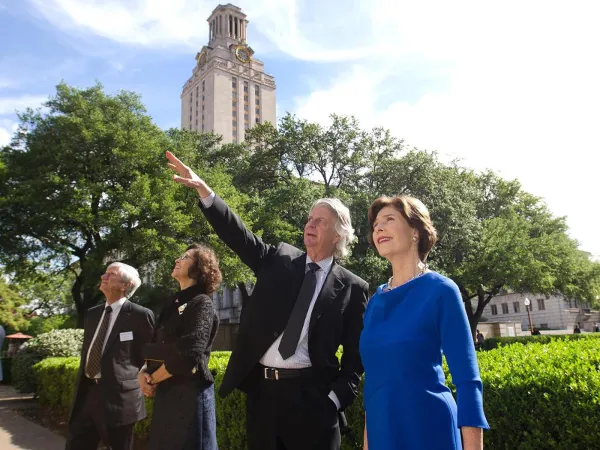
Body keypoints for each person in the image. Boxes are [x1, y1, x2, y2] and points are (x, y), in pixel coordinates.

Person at [167, 151, 369, 450]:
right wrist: (205, 192)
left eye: (320, 222)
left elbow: (355, 355)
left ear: (339, 234)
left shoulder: (353, 287)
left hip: (313, 402)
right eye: (309, 219)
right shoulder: (279, 259)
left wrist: (335, 399)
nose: (310, 225)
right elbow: (239, 236)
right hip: (263, 397)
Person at [360, 195, 489, 450]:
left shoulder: (441, 290)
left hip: (430, 428)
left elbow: (467, 379)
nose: (378, 228)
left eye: (389, 219)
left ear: (416, 231)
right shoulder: (375, 300)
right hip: (382, 433)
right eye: (376, 224)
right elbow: (373, 383)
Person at [139, 244, 221, 450]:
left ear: (199, 268)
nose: (177, 260)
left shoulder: (201, 303)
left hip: (190, 394)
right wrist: (143, 372)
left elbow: (190, 352)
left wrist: (153, 378)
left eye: (184, 257)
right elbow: (154, 346)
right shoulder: (172, 304)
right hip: (167, 392)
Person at [66, 263, 155, 450]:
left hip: (119, 399)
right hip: (87, 393)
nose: (103, 277)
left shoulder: (140, 315)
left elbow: (149, 356)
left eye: (110, 274)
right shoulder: (92, 314)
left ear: (126, 285)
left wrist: (148, 378)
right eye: (104, 272)